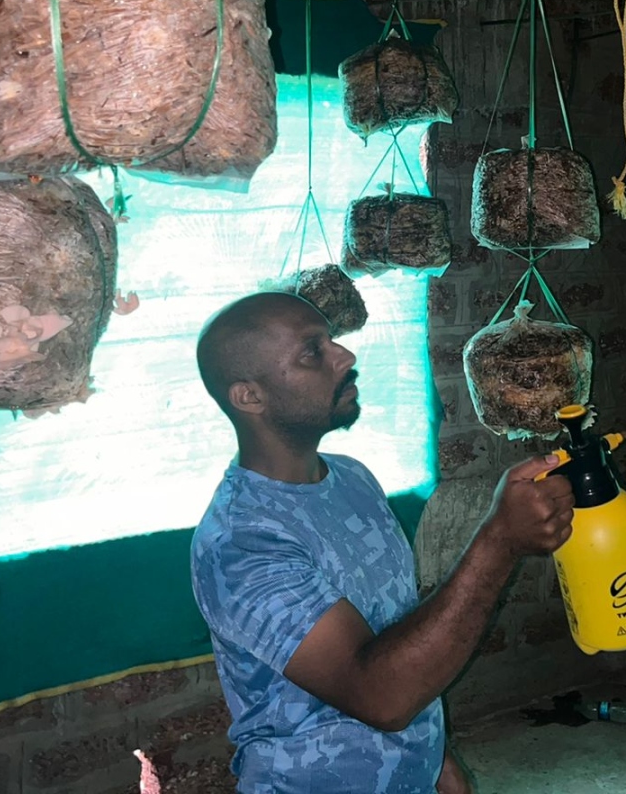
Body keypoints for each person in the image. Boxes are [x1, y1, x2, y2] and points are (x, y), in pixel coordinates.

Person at [190, 292, 575, 794]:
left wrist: (438, 762)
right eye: (313, 351)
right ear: (249, 397)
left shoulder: (351, 478)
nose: (344, 357)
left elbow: (399, 632)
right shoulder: (242, 541)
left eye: (333, 340)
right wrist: (499, 540)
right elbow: (381, 697)